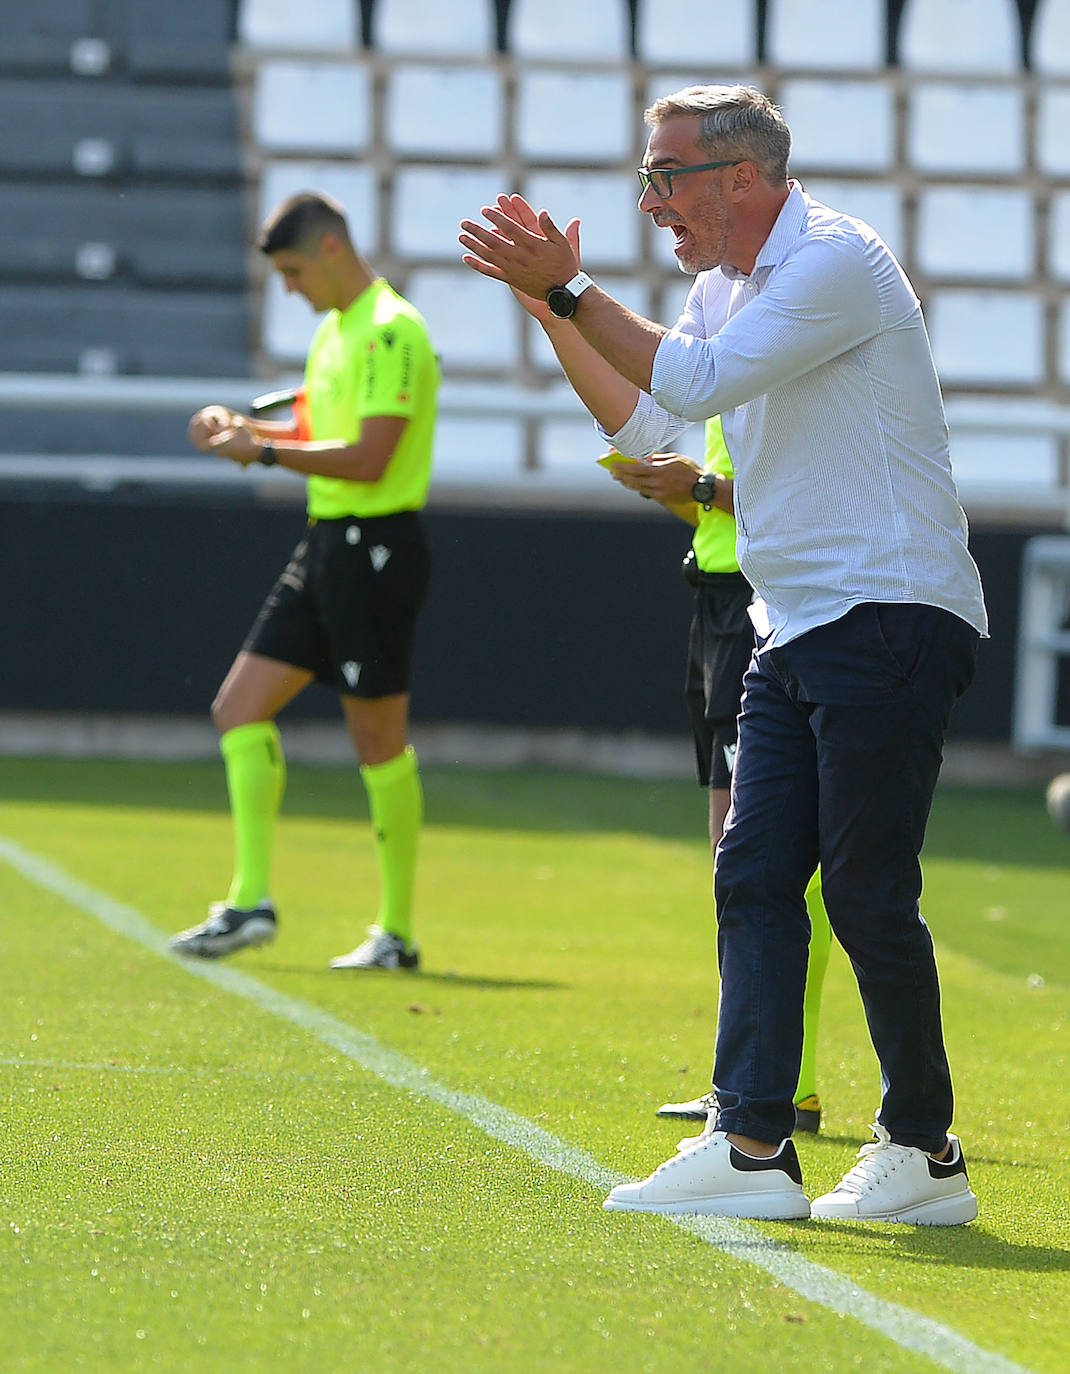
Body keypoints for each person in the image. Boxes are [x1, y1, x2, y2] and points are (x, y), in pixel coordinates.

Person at [460, 84, 987, 1223]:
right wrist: (551, 312)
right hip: (794, 620)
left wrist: (569, 286)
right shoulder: (719, 286)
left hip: (889, 610)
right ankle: (748, 1142)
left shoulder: (835, 260)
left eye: (665, 177)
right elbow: (654, 424)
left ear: (739, 178)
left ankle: (921, 1150)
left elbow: (688, 383)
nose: (650, 201)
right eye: (647, 178)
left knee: (859, 889)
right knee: (750, 875)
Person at [170, 190, 438, 971]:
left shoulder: (393, 331)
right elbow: (318, 434)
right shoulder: (335, 331)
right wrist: (249, 433)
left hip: (378, 548)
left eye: (291, 270)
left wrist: (268, 454)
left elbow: (371, 456)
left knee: (377, 739)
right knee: (237, 708)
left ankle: (397, 932)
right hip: (327, 540)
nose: (288, 288)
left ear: (329, 249)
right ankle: (251, 901)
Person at [604, 416, 831, 1137]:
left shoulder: (776, 357)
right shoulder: (732, 374)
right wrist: (675, 489)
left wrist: (700, 484)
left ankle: (783, 1083)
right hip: (716, 593)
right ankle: (764, 1079)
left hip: (759, 596)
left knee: (759, 855)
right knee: (734, 855)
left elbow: (801, 496)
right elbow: (730, 502)